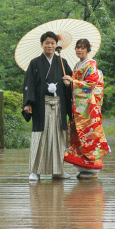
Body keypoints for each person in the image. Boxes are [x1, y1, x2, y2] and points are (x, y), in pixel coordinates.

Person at [22, 31, 72, 183]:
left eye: (52, 43)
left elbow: (71, 81)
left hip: (59, 104)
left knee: (58, 136)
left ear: (57, 45)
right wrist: (28, 103)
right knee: (40, 136)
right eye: (47, 43)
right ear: (42, 44)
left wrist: (69, 83)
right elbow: (28, 84)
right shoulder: (35, 63)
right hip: (41, 105)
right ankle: (35, 171)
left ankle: (58, 170)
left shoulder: (62, 63)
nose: (50, 45)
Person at [63, 38, 110, 179]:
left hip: (89, 108)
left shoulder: (91, 65)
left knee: (90, 136)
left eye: (83, 48)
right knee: (79, 135)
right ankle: (83, 167)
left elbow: (91, 84)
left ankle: (93, 168)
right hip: (79, 108)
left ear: (88, 50)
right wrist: (70, 83)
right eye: (77, 47)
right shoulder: (78, 65)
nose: (79, 50)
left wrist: (73, 82)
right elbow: (76, 85)